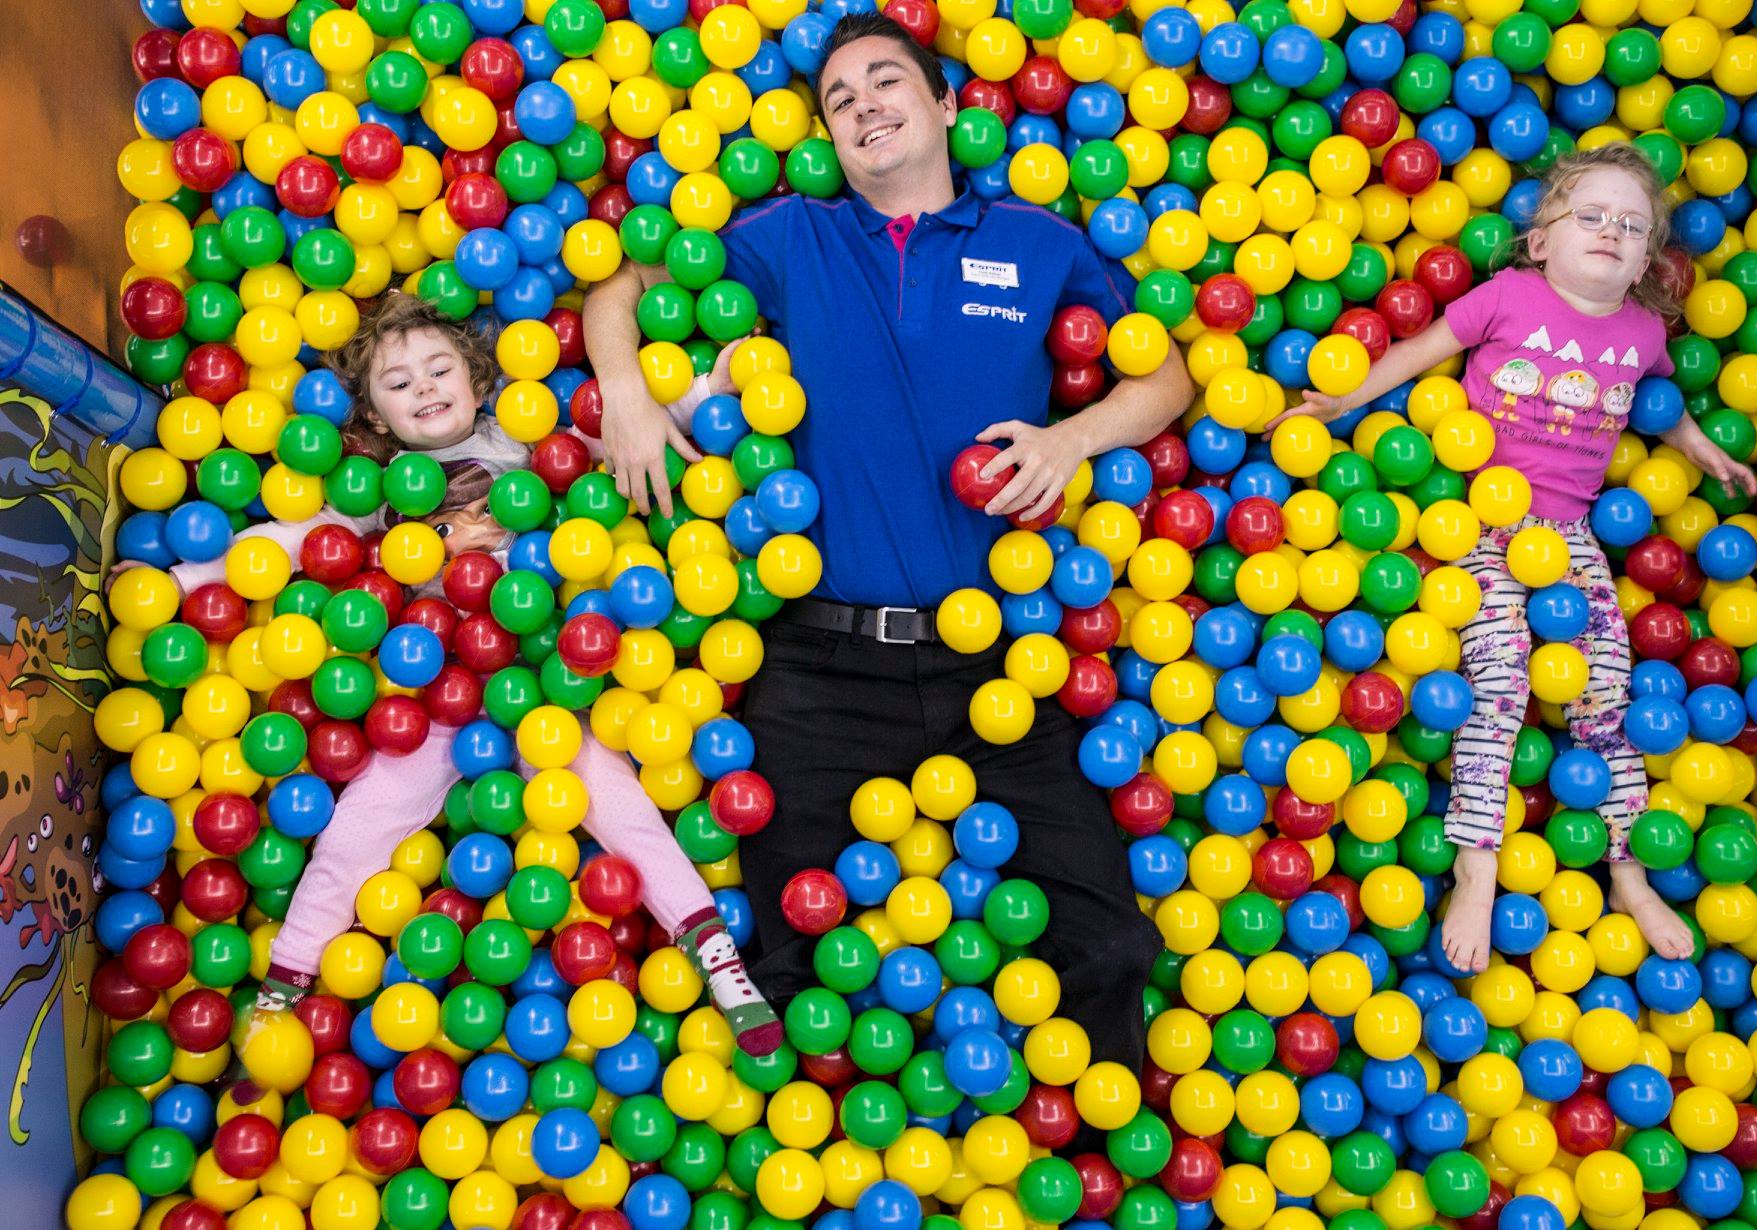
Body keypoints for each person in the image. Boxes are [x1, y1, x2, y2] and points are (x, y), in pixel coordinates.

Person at [586, 11, 1193, 1069]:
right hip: (822, 666)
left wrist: (1072, 438)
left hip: (999, 657)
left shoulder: (1036, 244)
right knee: (794, 966)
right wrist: (628, 394)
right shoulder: (795, 239)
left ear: (949, 104)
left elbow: (1168, 373)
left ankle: (1097, 1155)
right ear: (827, 135)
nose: (865, 105)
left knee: (1109, 943)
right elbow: (621, 285)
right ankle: (807, 1151)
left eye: (886, 82)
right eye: (840, 98)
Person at [164, 294, 782, 1060]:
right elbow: (292, 540)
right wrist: (184, 580)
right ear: (378, 418)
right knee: (355, 827)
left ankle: (718, 961)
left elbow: (614, 431)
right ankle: (283, 984)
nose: (424, 387)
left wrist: (709, 390)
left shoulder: (527, 445)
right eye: (398, 382)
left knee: (622, 811)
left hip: (546, 680)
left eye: (439, 369)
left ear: (480, 380)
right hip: (435, 695)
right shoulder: (378, 489)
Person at [1273, 146, 1757, 973]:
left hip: (1568, 539)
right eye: (1592, 216)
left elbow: (1659, 404)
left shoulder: (1643, 333)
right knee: (1500, 674)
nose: (1611, 231)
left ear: (1647, 260)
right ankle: (1478, 860)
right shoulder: (1509, 297)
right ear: (1541, 241)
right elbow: (1422, 351)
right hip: (1483, 525)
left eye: (1631, 226)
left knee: (1610, 684)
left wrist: (1703, 450)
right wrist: (1348, 397)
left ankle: (1629, 866)